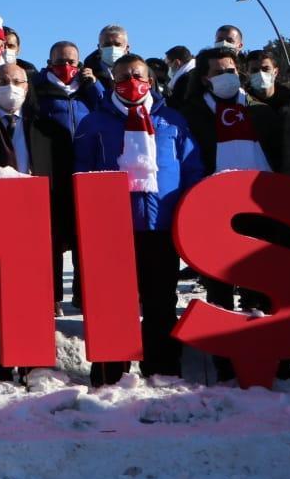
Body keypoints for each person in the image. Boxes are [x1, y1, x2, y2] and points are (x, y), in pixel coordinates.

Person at [74, 54, 203, 383]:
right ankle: (111, 372)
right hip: (113, 228)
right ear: (112, 81)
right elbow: (81, 171)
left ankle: (161, 367)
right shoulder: (93, 122)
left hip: (161, 225)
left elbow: (190, 168)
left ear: (150, 80)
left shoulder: (172, 120)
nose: (132, 82)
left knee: (161, 300)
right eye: (124, 76)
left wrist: (188, 213)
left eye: (138, 75)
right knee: (114, 303)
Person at [0, 64, 75, 368]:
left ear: (27, 86)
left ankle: (34, 365)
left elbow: (62, 183)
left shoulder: (51, 131)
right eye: (2, 82)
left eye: (17, 81)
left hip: (37, 224)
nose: (11, 87)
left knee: (34, 300)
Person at [179, 47, 287, 380]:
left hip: (260, 209)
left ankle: (270, 352)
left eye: (231, 70)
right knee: (221, 287)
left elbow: (280, 157)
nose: (228, 76)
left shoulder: (262, 112)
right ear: (205, 79)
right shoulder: (190, 114)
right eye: (218, 72)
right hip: (213, 211)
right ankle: (225, 358)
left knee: (265, 284)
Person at [32, 40, 105, 139]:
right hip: (53, 150)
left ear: (78, 64)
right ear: (50, 63)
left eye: (71, 62)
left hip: (84, 148)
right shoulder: (37, 86)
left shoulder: (86, 86)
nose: (66, 66)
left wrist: (94, 84)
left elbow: (105, 106)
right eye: (60, 62)